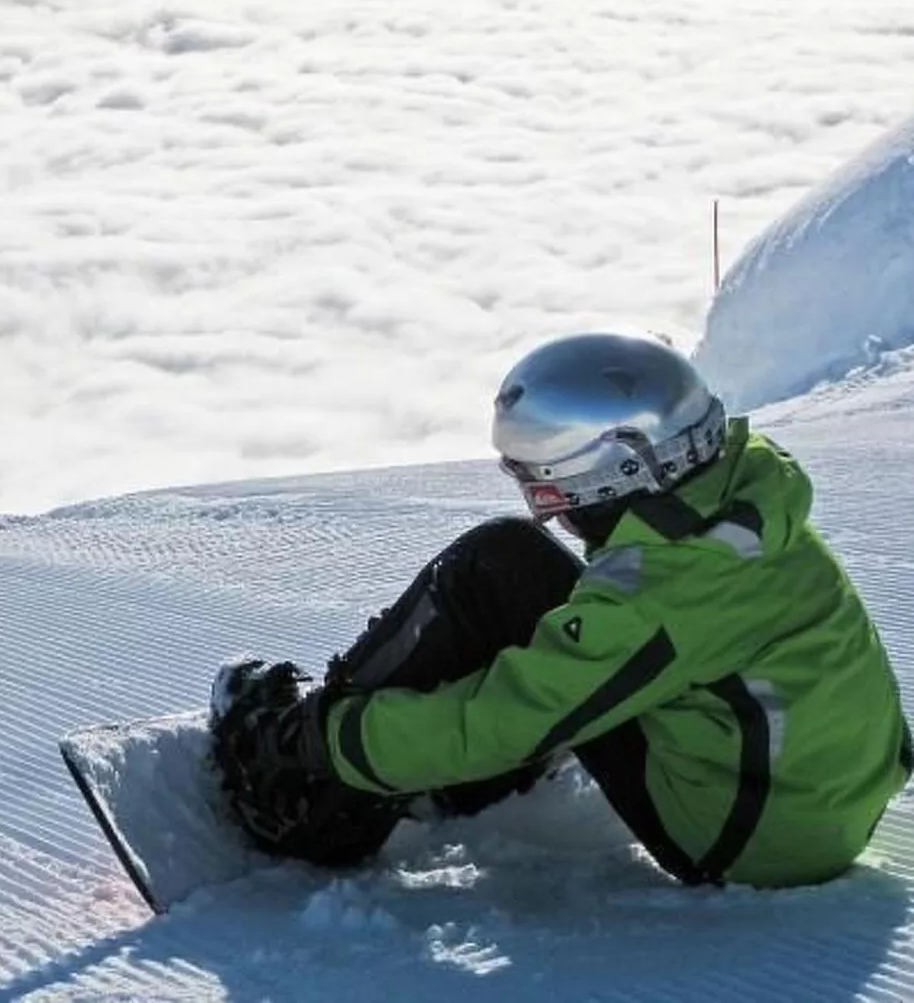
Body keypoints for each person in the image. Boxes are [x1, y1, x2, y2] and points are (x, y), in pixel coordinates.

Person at [211, 330, 912, 888]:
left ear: (612, 472)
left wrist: (327, 735)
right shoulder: (741, 497)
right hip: (818, 797)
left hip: (747, 838)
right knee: (522, 575)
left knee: (491, 569)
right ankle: (458, 778)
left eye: (546, 482)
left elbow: (502, 719)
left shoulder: (663, 593)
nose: (550, 506)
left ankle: (301, 800)